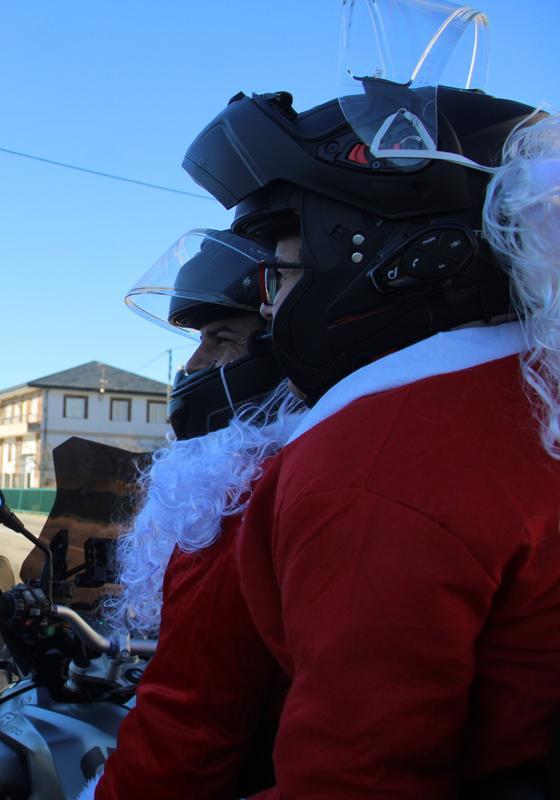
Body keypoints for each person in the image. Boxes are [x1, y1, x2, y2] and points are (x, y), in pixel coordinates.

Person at [179, 82, 560, 795]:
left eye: (281, 266)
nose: (270, 304)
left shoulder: (380, 454)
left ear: (394, 250)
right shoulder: (527, 399)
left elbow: (351, 779)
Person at [82, 230, 299, 799]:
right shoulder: (301, 463)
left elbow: (189, 725)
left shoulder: (244, 497)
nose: (193, 365)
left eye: (220, 340)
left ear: (280, 346)